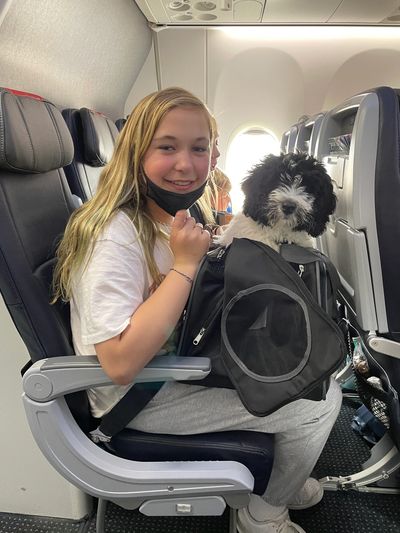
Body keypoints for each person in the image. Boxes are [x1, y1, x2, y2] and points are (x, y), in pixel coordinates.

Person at [53, 87, 342, 533]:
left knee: (309, 372)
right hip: (141, 398)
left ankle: (289, 474)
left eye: (199, 148)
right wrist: (187, 265)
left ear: (214, 154)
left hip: (176, 365)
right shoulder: (114, 235)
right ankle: (264, 514)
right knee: (317, 402)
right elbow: (119, 362)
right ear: (135, 152)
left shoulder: (168, 215)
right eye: (166, 147)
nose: (185, 164)